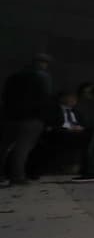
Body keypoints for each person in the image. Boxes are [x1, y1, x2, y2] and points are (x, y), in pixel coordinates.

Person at [1, 54, 54, 185]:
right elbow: (46, 97)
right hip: (32, 117)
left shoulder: (14, 76)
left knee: (4, 146)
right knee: (23, 148)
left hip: (11, 116)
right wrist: (45, 117)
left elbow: (5, 96)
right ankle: (17, 176)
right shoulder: (42, 77)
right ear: (43, 64)